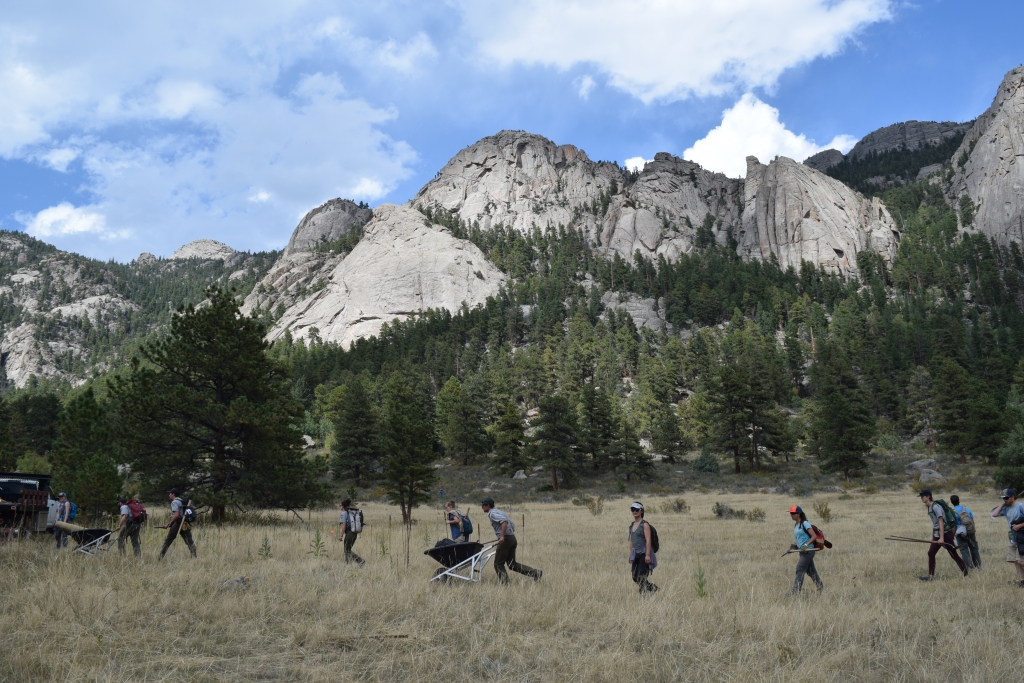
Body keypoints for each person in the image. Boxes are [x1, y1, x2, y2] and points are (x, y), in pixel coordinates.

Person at [481, 497, 541, 584]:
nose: (482, 507)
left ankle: (505, 584)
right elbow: (511, 523)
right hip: (512, 538)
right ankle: (535, 573)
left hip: (506, 540)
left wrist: (502, 536)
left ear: (487, 506)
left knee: (498, 564)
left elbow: (504, 522)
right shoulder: (499, 511)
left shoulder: (492, 514)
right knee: (512, 565)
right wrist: (509, 534)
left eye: (483, 505)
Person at [919, 489, 967, 581]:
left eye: (922, 496)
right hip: (937, 534)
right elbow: (935, 523)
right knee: (931, 553)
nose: (921, 498)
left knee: (953, 555)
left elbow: (941, 522)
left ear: (928, 496)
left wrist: (941, 538)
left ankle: (966, 575)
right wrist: (935, 535)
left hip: (945, 534)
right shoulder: (929, 507)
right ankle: (930, 576)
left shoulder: (936, 507)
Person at [990, 488, 1024, 587]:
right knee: (1015, 562)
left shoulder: (1021, 506)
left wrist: (1019, 526)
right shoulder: (1006, 508)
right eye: (1003, 498)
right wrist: (1003, 504)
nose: (1005, 499)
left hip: (1021, 537)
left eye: (1007, 498)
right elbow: (994, 514)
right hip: (1012, 538)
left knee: (1020, 561)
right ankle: (1022, 581)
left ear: (1013, 497)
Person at [787, 505, 824, 594]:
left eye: (793, 513)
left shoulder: (805, 524)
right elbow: (799, 539)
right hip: (802, 552)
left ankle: (795, 592)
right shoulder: (796, 525)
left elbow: (814, 536)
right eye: (790, 513)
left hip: (808, 551)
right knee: (811, 571)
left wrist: (806, 545)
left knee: (799, 570)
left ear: (798, 514)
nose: (791, 515)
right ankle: (820, 586)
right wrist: (792, 547)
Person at [627, 502, 658, 593]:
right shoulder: (632, 525)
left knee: (641, 575)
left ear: (641, 511)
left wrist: (647, 555)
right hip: (635, 553)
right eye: (633, 510)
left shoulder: (645, 525)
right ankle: (653, 588)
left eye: (637, 510)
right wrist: (631, 555)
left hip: (644, 553)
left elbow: (648, 540)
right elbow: (632, 541)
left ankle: (643, 595)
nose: (634, 512)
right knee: (634, 577)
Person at [158, 488, 196, 560]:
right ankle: (194, 557)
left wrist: (168, 524)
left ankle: (160, 557)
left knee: (168, 540)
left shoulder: (174, 502)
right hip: (185, 523)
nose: (169, 495)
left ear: (173, 494)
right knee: (189, 541)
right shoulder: (182, 501)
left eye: (170, 494)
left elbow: (176, 515)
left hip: (178, 523)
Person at [950, 494, 981, 570]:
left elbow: (953, 526)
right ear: (959, 500)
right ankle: (978, 566)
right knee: (974, 548)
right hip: (970, 531)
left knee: (964, 550)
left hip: (960, 533)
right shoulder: (967, 509)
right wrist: (972, 530)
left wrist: (952, 536)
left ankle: (968, 567)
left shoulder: (952, 512)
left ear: (951, 502)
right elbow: (972, 521)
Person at [339, 499, 365, 566]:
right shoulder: (353, 512)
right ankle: (348, 564)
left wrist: (341, 535)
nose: (340, 507)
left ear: (343, 506)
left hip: (349, 533)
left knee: (347, 550)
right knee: (348, 549)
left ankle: (360, 560)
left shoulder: (344, 513)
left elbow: (344, 525)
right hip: (354, 533)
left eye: (340, 505)